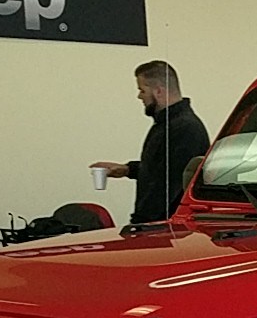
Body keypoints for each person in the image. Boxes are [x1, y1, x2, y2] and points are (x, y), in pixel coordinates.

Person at [90, 60, 210, 224]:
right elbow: (161, 169)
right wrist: (127, 170)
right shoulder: (167, 125)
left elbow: (169, 185)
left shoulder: (185, 129)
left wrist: (142, 224)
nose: (139, 96)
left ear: (159, 91)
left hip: (166, 229)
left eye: (142, 90)